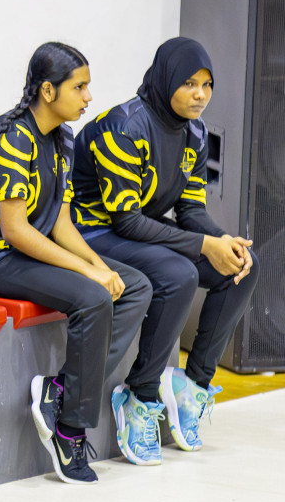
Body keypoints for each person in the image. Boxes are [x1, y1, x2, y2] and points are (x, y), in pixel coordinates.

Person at [0, 43, 152, 482]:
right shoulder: (13, 138)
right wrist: (89, 274)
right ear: (47, 90)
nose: (88, 97)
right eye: (79, 87)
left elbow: (59, 221)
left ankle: (63, 389)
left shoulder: (63, 138)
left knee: (134, 285)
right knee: (93, 298)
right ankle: (69, 429)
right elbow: (16, 230)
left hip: (22, 251)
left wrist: (101, 265)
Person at [70, 37, 259, 461]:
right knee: (178, 275)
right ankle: (140, 395)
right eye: (189, 83)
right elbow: (126, 220)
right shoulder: (124, 127)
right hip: (91, 233)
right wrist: (205, 245)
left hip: (140, 231)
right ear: (166, 79)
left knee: (243, 266)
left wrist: (223, 243)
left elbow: (190, 210)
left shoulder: (195, 131)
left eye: (207, 85)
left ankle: (191, 386)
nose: (200, 95)